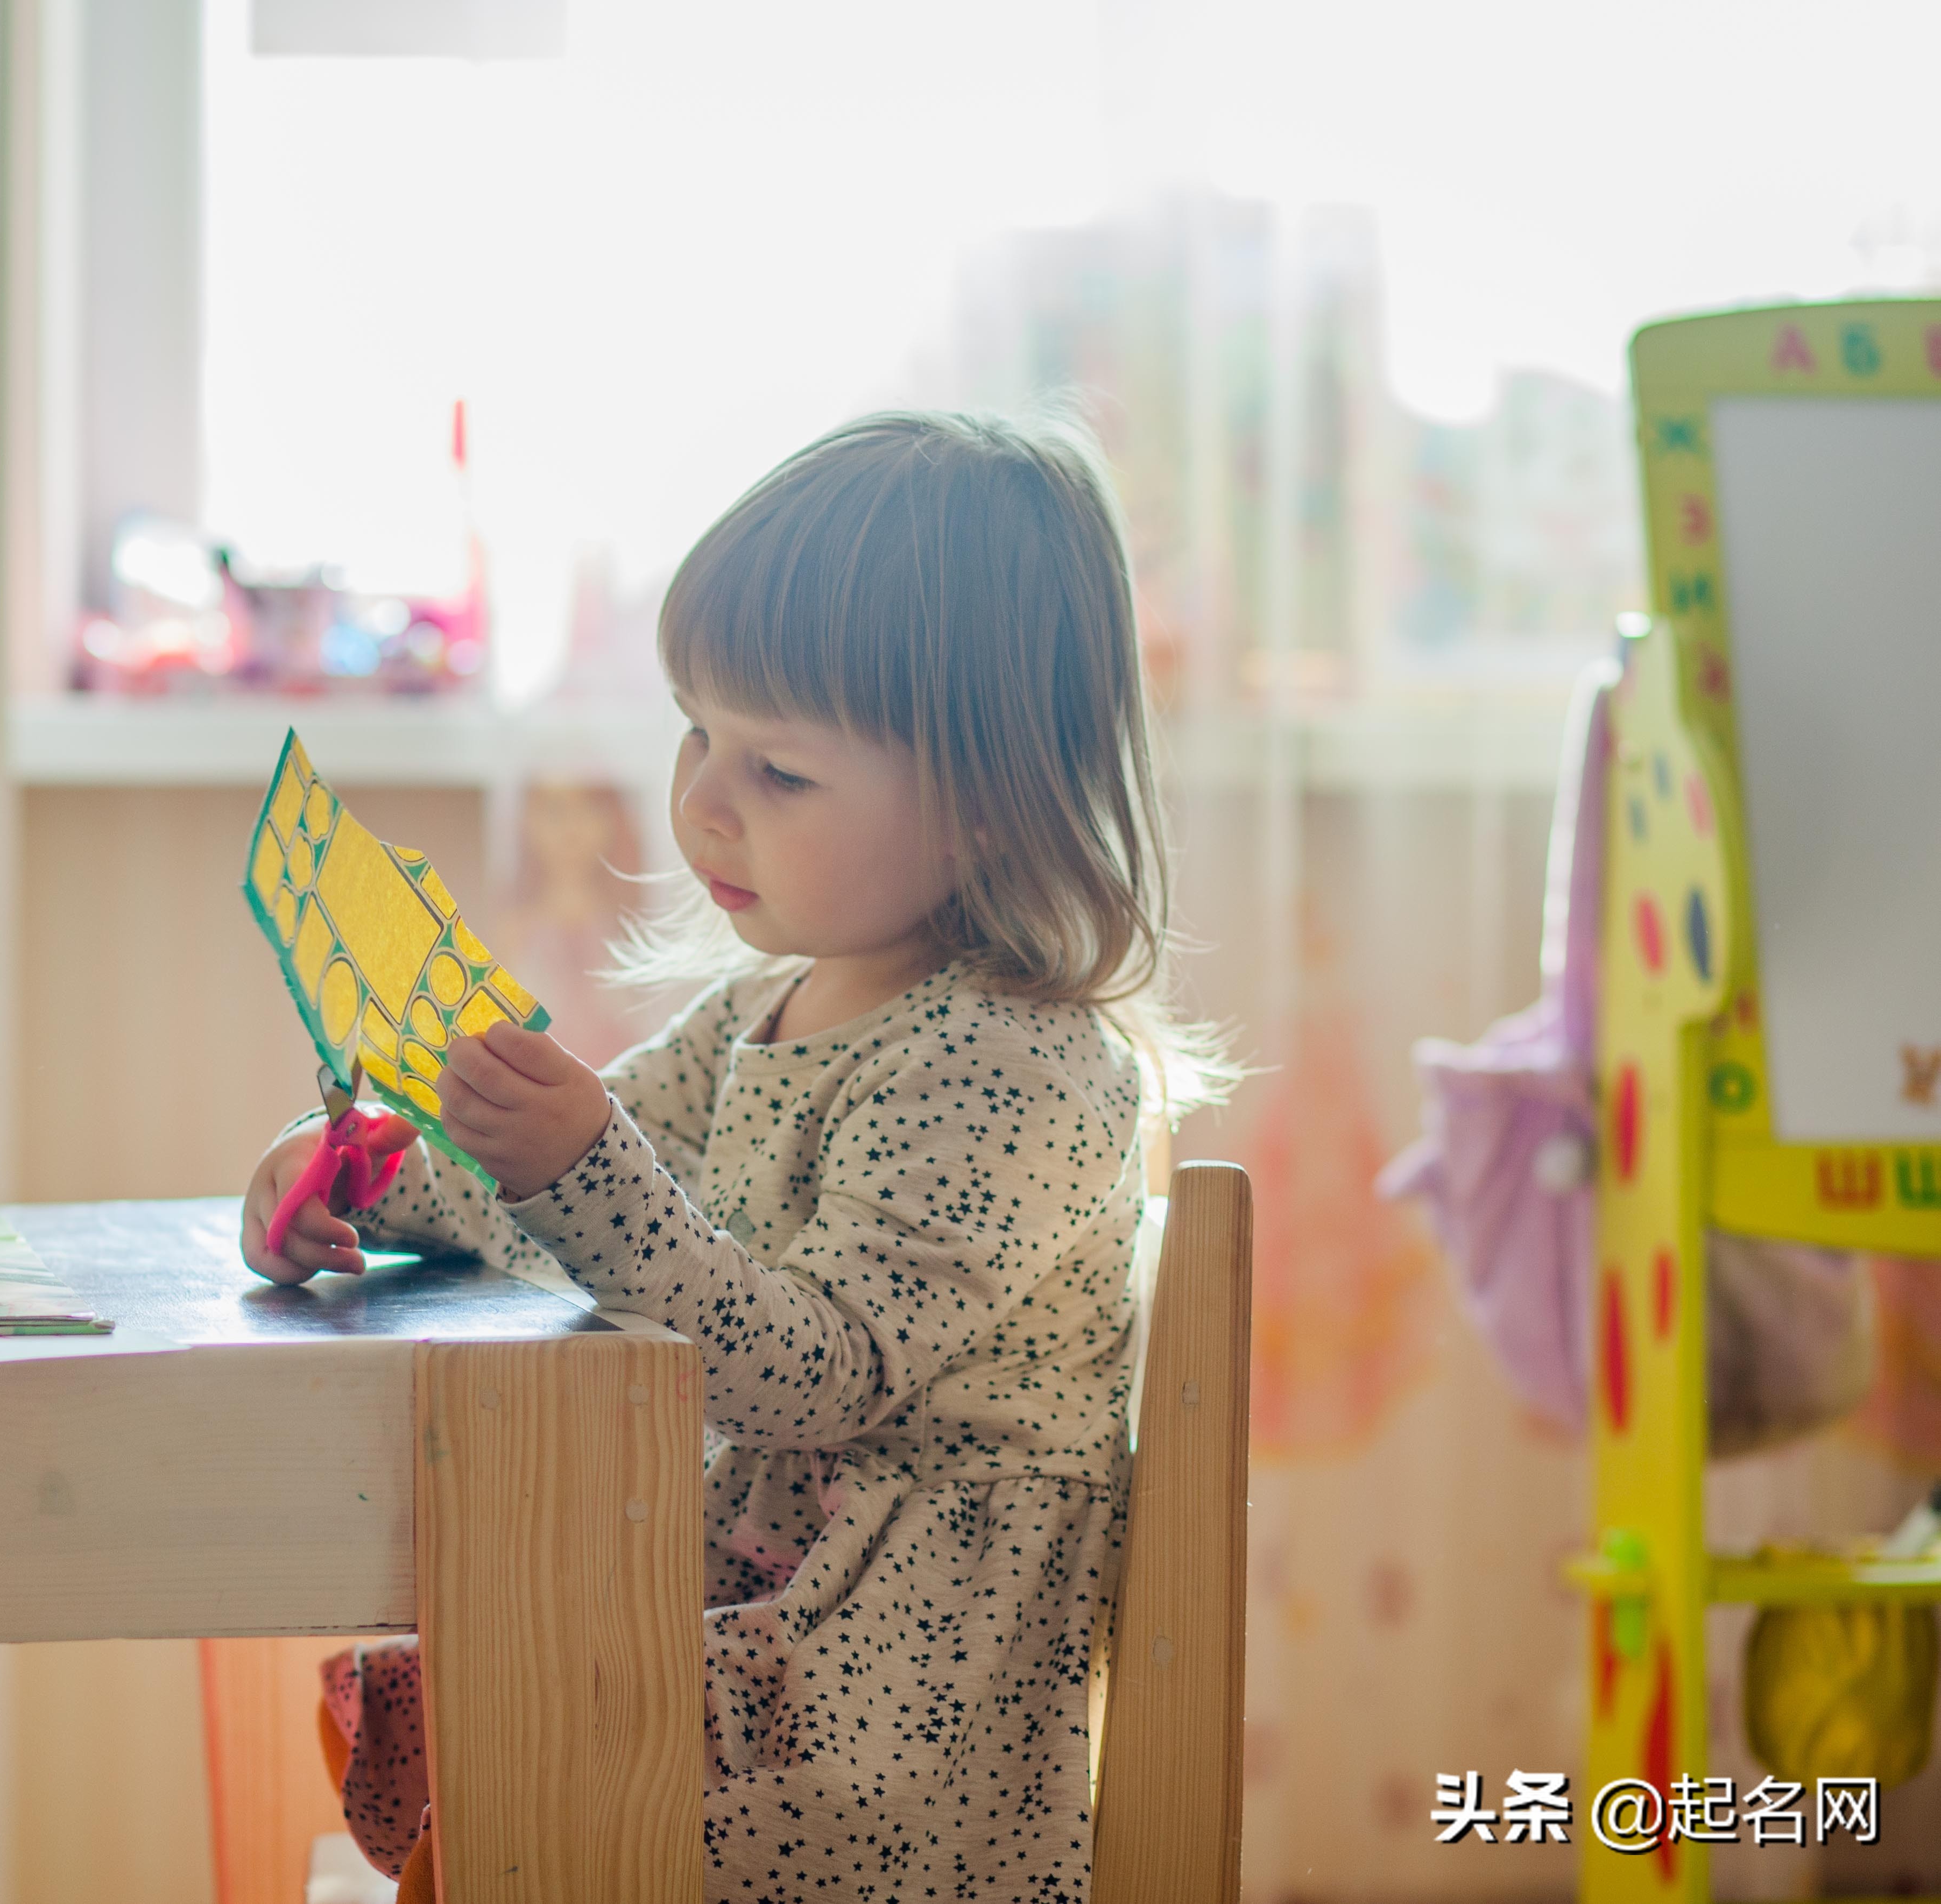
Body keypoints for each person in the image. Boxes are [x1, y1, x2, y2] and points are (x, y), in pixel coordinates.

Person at [241, 409, 1225, 1902]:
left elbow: (811, 1366)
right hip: (763, 1607)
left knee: (525, 1744)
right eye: (697, 727)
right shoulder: (760, 1005)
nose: (701, 795)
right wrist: (376, 1178)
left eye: (778, 769)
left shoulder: (1018, 1064)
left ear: (981, 804)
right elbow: (578, 1200)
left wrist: (573, 1166)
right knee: (487, 1697)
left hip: (887, 1713)